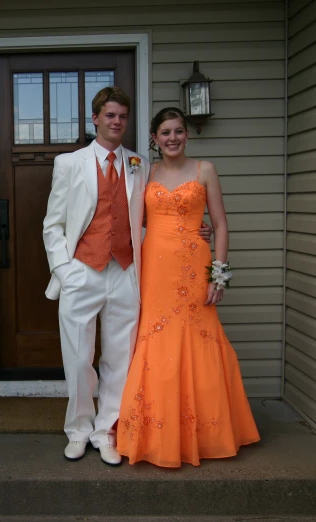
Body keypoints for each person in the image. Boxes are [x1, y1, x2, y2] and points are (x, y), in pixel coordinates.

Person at [42, 89, 211, 466]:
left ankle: (107, 432)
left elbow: (157, 213)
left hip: (125, 272)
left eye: (122, 116)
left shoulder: (139, 163)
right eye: (110, 115)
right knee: (79, 358)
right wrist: (64, 270)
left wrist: (194, 232)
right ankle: (78, 430)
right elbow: (52, 224)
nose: (116, 121)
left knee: (120, 358)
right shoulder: (70, 163)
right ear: (95, 119)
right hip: (81, 271)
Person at [116, 107, 260, 467]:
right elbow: (134, 218)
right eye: (165, 133)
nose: (172, 138)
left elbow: (221, 224)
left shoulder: (204, 170)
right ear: (154, 138)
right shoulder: (145, 172)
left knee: (199, 338)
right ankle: (156, 433)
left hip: (195, 265)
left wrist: (219, 275)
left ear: (186, 134)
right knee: (156, 337)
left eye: (178, 131)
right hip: (155, 267)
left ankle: (207, 433)